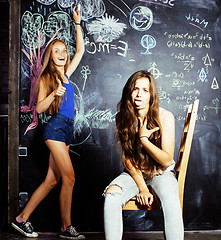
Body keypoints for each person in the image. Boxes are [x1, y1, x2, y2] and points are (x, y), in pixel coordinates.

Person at [11, 5, 85, 240]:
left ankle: (21, 219)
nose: (62, 53)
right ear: (50, 56)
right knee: (70, 177)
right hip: (54, 128)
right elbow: (39, 108)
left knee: (52, 180)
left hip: (67, 129)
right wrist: (54, 94)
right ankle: (67, 227)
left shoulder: (67, 74)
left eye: (64, 50)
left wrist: (77, 23)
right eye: (56, 51)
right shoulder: (46, 77)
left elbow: (81, 51)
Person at [103, 70, 184, 240]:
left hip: (161, 173)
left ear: (151, 94)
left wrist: (144, 139)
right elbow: (128, 159)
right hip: (135, 174)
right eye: (135, 89)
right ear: (129, 92)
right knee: (111, 196)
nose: (139, 94)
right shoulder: (122, 117)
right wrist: (143, 188)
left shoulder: (165, 116)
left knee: (171, 197)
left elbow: (167, 159)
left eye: (145, 90)